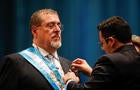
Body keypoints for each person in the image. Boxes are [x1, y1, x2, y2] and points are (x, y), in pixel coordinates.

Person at [0, 9, 71, 90]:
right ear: (34, 31)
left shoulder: (69, 65)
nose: (57, 30)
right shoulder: (14, 62)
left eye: (59, 25)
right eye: (50, 26)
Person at [63, 16, 140, 89]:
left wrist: (70, 81)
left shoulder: (108, 61)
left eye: (102, 43)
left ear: (111, 41)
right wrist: (92, 72)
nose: (102, 48)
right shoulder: (137, 57)